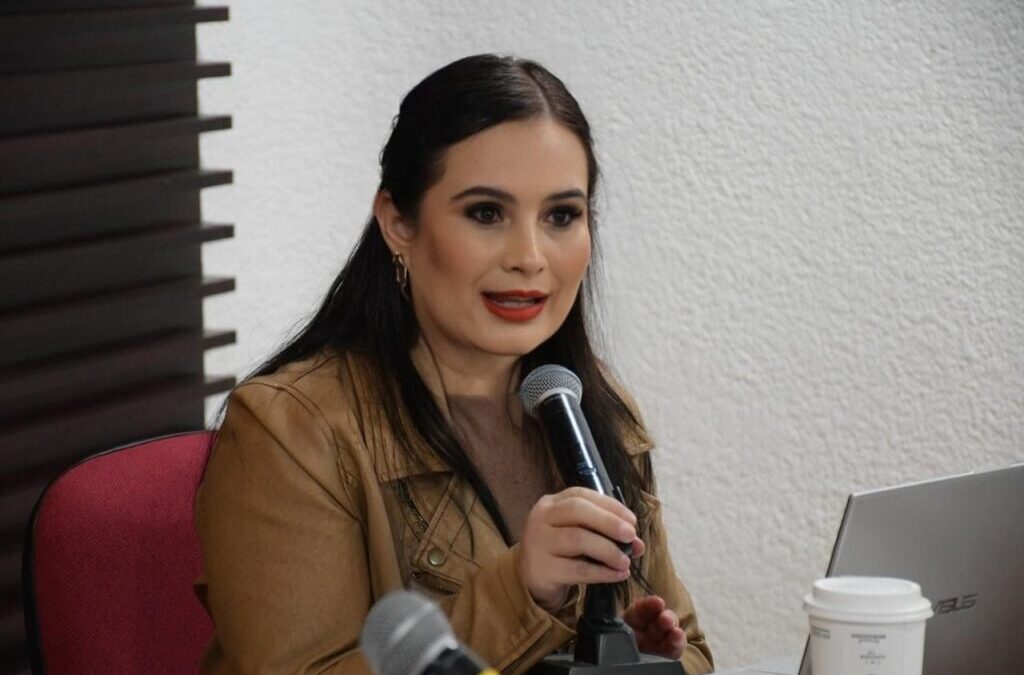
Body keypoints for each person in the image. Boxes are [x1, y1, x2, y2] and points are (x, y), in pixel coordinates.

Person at [195, 53, 714, 675]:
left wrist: (633, 661)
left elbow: (694, 650)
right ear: (398, 222)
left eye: (561, 216)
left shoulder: (594, 407)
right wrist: (522, 591)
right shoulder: (289, 430)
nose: (529, 256)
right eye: (486, 213)